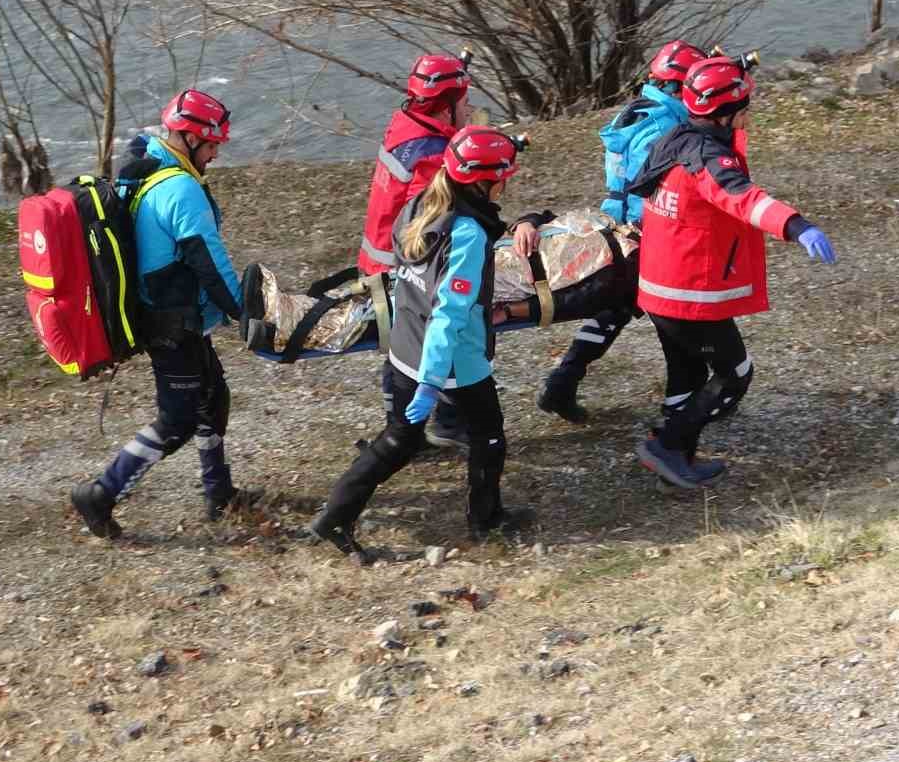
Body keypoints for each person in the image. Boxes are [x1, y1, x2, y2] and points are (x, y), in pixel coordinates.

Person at [310, 125, 537, 563]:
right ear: (485, 182)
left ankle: (334, 517)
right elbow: (449, 314)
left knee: (397, 440)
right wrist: (433, 382)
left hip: (403, 348)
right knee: (490, 437)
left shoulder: (419, 205)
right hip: (452, 363)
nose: (508, 182)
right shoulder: (467, 234)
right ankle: (486, 521)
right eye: (505, 176)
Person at [627, 55, 838, 489]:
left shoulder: (677, 137)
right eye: (745, 107)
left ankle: (677, 459)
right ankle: (666, 445)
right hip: (691, 292)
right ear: (726, 114)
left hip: (660, 285)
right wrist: (797, 226)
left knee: (687, 375)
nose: (749, 115)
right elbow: (742, 197)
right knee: (734, 375)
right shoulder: (708, 157)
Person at [70, 89, 247, 538]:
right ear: (188, 138)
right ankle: (100, 493)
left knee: (212, 397)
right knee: (178, 420)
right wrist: (246, 312)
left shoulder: (147, 166)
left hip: (169, 314)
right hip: (173, 324)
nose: (216, 154)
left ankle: (219, 492)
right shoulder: (180, 188)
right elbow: (209, 261)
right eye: (212, 145)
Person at [536, 40, 713, 424]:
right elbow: (663, 184)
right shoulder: (667, 125)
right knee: (670, 316)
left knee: (615, 306)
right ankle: (682, 402)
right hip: (648, 229)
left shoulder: (636, 113)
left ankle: (562, 383)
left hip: (619, 221)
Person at [357, 52, 476, 449]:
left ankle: (401, 427)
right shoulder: (431, 155)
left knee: (400, 348)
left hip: (377, 257)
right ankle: (435, 422)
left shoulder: (404, 125)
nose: (472, 109)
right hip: (402, 267)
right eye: (464, 103)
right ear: (445, 109)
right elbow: (431, 222)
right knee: (444, 333)